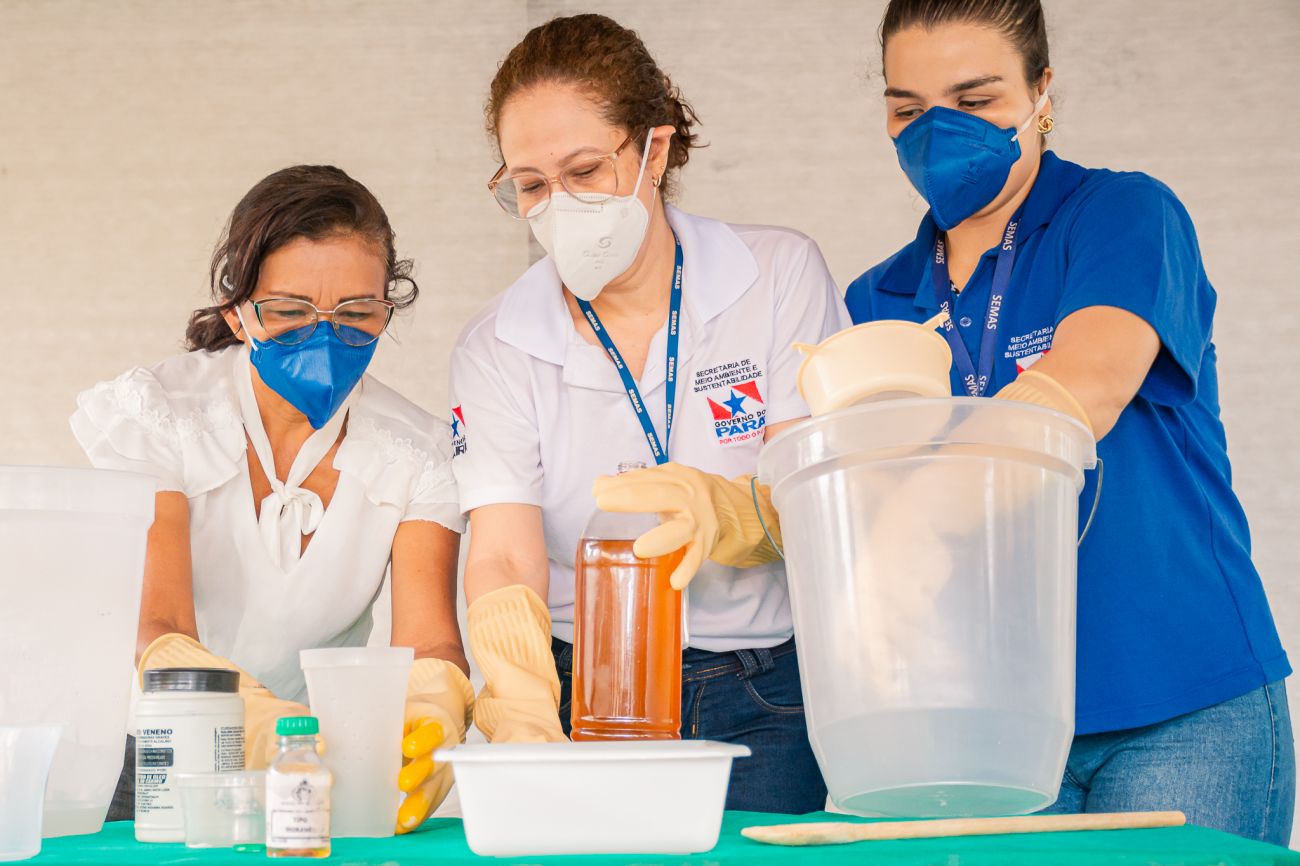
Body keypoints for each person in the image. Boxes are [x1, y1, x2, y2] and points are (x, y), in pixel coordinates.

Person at [843, 0, 1293, 844]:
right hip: (995, 724)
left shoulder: (1121, 216)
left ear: (1042, 91)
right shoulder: (881, 298)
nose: (938, 132)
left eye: (975, 101)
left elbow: (1087, 382)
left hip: (1178, 695)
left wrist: (921, 517)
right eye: (908, 109)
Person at [450, 14, 849, 813]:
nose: (559, 205)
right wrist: (523, 708)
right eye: (531, 185)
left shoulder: (774, 275)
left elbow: (818, 497)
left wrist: (733, 513)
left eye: (584, 170)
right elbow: (503, 554)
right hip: (581, 688)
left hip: (759, 690)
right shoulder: (499, 343)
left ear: (654, 152)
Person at [72, 165, 471, 833]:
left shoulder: (418, 452)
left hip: (311, 764)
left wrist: (434, 706)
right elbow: (158, 627)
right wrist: (247, 721)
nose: (324, 338)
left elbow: (429, 639)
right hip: (145, 758)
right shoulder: (160, 415)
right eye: (289, 311)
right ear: (237, 312)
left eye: (356, 313)